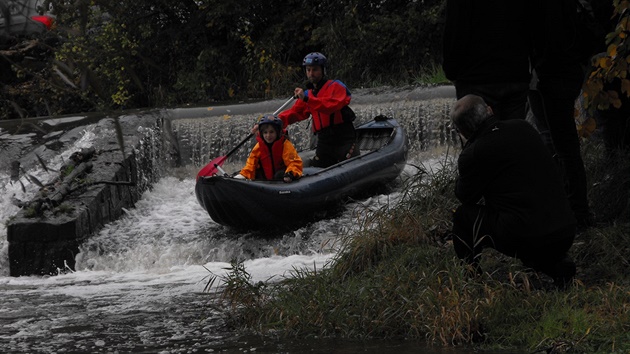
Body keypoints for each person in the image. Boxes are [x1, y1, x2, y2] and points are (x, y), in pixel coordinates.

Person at [450, 95, 577, 287]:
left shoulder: (474, 153)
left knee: (462, 217)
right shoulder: (522, 126)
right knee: (522, 217)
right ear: (490, 110)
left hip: (529, 236)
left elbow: (465, 196)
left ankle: (472, 280)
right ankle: (556, 266)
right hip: (565, 228)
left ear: (461, 131)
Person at [530, 0, 595, 230]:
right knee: (559, 143)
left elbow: (547, 37)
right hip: (560, 72)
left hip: (550, 75)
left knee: (562, 145)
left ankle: (575, 211)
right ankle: (570, 208)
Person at [442, 0, 534, 120]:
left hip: (476, 76)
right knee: (514, 135)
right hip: (515, 73)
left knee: (481, 135)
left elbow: (455, 29)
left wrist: (451, 71)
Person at [275, 52, 359, 167]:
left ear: (323, 70)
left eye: (315, 70)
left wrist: (307, 99)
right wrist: (273, 122)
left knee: (348, 164)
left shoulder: (336, 86)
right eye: (308, 70)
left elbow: (329, 106)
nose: (311, 73)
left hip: (343, 138)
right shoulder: (308, 94)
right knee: (317, 166)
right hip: (324, 141)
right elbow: (294, 113)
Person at [237, 114, 302, 183]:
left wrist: (290, 173)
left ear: (277, 132)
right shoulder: (259, 146)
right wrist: (244, 175)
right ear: (262, 134)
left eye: (271, 132)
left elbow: (294, 162)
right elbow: (251, 164)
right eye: (265, 132)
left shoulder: (285, 145)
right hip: (265, 180)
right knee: (256, 173)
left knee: (279, 174)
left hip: (282, 179)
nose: (268, 135)